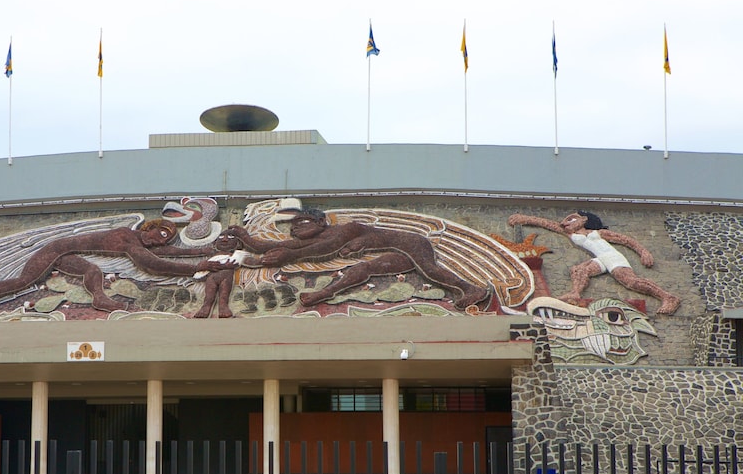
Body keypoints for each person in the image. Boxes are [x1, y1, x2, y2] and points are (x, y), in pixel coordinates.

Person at [226, 209, 489, 309]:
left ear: (320, 221)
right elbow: (272, 245)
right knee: (365, 268)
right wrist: (243, 236)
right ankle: (322, 295)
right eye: (293, 226)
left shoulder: (345, 229)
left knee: (429, 271)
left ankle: (470, 289)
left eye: (301, 222)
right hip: (392, 257)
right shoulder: (311, 239)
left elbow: (327, 247)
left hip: (410, 245)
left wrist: (291, 254)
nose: (295, 229)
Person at [0, 219, 222, 317]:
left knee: (92, 271)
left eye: (166, 237)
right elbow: (151, 263)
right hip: (55, 250)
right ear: (149, 228)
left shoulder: (141, 242)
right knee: (23, 281)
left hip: (70, 256)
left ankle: (99, 298)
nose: (161, 238)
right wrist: (196, 268)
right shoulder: (127, 237)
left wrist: (206, 250)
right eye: (160, 231)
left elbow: (169, 253)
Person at [507, 211, 681, 314]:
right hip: (600, 260)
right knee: (579, 270)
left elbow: (626, 240)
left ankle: (668, 297)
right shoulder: (571, 234)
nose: (565, 222)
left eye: (571, 219)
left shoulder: (597, 233)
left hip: (613, 258)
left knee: (631, 282)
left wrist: (644, 252)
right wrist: (524, 219)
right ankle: (575, 293)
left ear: (583, 220)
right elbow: (549, 224)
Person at [191, 231, 263, 318]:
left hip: (226, 278)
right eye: (221, 237)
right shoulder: (212, 254)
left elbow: (252, 262)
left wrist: (265, 260)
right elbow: (197, 262)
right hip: (211, 277)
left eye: (230, 237)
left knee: (224, 294)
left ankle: (223, 307)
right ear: (214, 243)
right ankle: (205, 307)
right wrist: (203, 265)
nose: (225, 240)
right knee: (209, 295)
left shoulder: (237, 255)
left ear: (238, 244)